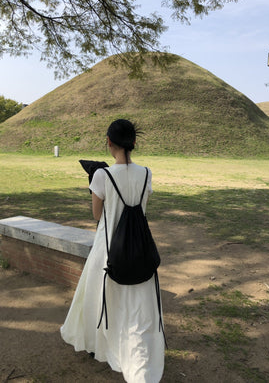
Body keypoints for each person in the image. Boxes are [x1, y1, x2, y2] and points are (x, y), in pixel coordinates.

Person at [60, 119, 165, 382]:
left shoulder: (101, 175)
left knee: (101, 298)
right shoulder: (147, 173)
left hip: (108, 248)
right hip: (139, 248)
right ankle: (139, 349)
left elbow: (98, 214)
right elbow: (142, 209)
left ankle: (104, 346)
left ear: (109, 142)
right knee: (137, 306)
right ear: (134, 143)